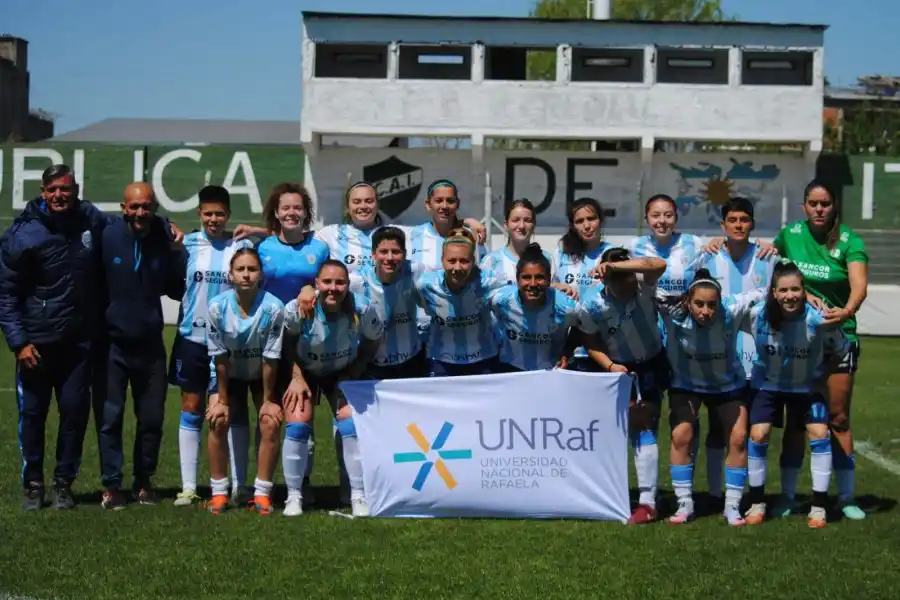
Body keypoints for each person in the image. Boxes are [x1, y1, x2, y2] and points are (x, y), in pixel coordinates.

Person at [0, 164, 108, 510]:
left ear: (75, 191)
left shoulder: (90, 219)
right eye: (53, 190)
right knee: (33, 416)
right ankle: (33, 484)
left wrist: (166, 227)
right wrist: (19, 343)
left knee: (74, 415)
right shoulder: (22, 233)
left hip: (78, 345)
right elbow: (6, 294)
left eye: (66, 189)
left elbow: (128, 226)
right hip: (36, 345)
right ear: (43, 192)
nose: (60, 195)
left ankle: (63, 483)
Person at [772, 180, 869, 520]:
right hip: (798, 340)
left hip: (840, 337)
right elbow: (771, 267)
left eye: (825, 204)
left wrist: (847, 310)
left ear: (833, 206)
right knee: (797, 420)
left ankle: (846, 497)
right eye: (813, 203)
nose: (819, 209)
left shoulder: (849, 240)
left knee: (838, 417)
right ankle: (787, 497)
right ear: (804, 206)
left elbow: (859, 285)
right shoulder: (790, 235)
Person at [95, 182, 186, 510]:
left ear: (154, 208)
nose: (140, 212)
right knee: (110, 419)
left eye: (146, 206)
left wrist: (176, 252)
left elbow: (176, 289)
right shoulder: (107, 236)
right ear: (124, 208)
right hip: (112, 346)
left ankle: (143, 482)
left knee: (151, 419)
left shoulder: (164, 236)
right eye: (134, 206)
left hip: (150, 345)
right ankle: (111, 485)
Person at [743, 260, 846, 528]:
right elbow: (726, 320)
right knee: (759, 434)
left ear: (804, 291)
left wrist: (821, 375)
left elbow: (841, 349)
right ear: (774, 293)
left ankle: (819, 508)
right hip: (767, 385)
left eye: (795, 289)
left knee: (820, 434)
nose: (790, 296)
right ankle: (757, 503)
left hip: (805, 387)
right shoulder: (757, 315)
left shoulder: (818, 319)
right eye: (784, 290)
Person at [169, 185, 254, 508]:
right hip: (192, 339)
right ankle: (189, 487)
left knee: (233, 409)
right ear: (199, 214)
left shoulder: (241, 246)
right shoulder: (188, 244)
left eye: (219, 214)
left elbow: (280, 236)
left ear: (229, 214)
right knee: (191, 407)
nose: (214, 220)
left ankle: (240, 485)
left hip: (231, 343)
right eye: (208, 214)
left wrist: (257, 230)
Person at [658, 269, 765, 525]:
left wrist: (808, 295)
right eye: (699, 304)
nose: (706, 311)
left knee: (738, 437)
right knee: (681, 435)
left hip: (727, 382)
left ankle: (732, 506)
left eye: (711, 305)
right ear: (687, 301)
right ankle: (684, 504)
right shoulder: (673, 309)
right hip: (686, 383)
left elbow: (767, 291)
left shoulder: (732, 308)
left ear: (720, 302)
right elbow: (644, 287)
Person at [280, 260, 384, 517]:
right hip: (304, 371)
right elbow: (286, 343)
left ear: (348, 285)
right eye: (327, 282)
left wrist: (353, 372)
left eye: (339, 283)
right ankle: (295, 495)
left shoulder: (362, 308)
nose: (333, 288)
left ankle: (356, 493)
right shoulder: (299, 307)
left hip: (341, 370)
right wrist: (296, 377)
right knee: (298, 424)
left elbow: (373, 340)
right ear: (316, 283)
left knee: (349, 422)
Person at [694, 198, 776, 505]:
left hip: (759, 359)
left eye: (744, 219)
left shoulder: (768, 258)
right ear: (723, 225)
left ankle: (753, 494)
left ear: (752, 223)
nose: (738, 225)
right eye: (732, 220)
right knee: (719, 428)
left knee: (754, 431)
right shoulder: (709, 258)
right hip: (719, 357)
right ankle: (716, 494)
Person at [580, 248, 669, 525]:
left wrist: (619, 267)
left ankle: (648, 502)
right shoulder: (592, 304)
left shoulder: (643, 286)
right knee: (621, 431)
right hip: (618, 369)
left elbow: (658, 264)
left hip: (652, 362)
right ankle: (621, 495)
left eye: (626, 275)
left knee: (645, 426)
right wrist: (609, 366)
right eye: (616, 277)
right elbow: (590, 342)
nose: (624, 283)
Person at [256, 182, 329, 504]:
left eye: (297, 207)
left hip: (306, 343)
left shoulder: (320, 249)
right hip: (270, 344)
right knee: (269, 417)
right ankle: (262, 484)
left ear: (306, 212)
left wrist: (315, 290)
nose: (291, 213)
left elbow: (331, 284)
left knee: (303, 416)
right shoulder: (263, 248)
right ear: (276, 212)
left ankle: (302, 483)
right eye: (285, 207)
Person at [204, 248, 285, 515]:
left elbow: (271, 358)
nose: (246, 275)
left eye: (252, 269)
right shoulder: (216, 307)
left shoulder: (274, 307)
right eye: (240, 269)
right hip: (228, 373)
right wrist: (222, 400)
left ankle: (262, 494)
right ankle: (219, 493)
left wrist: (269, 400)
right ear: (231, 275)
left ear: (260, 274)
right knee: (218, 419)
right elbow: (220, 358)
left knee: (270, 421)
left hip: (262, 374)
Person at [314, 181, 487, 274]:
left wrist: (465, 222)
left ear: (377, 205)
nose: (363, 206)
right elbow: (303, 240)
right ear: (348, 207)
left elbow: (440, 224)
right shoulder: (331, 233)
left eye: (369, 201)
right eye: (357, 202)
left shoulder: (397, 233)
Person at [415, 228, 508, 376]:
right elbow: (424, 308)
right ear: (442, 260)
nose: (457, 267)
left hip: (483, 359)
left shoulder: (490, 281)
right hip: (440, 360)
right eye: (451, 261)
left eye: (464, 261)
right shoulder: (425, 285)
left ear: (473, 261)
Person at [490, 243, 592, 373]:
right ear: (517, 279)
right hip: (511, 369)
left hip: (551, 372)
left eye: (539, 277)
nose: (533, 284)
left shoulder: (567, 307)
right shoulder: (500, 300)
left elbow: (584, 325)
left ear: (549, 280)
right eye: (526, 277)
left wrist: (567, 352)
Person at [551, 198, 613, 370]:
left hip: (602, 350)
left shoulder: (611, 254)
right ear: (572, 225)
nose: (586, 226)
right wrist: (556, 287)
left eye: (591, 219)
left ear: (600, 220)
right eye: (579, 221)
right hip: (566, 352)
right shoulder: (561, 254)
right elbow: (546, 292)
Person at [628, 194, 707, 297]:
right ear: (646, 219)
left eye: (668, 215)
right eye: (655, 216)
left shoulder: (694, 243)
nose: (662, 221)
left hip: (684, 307)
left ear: (676, 218)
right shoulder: (635, 246)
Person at [407, 179, 488, 271]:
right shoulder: (412, 235)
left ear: (457, 204)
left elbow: (483, 272)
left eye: (450, 201)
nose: (444, 206)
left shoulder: (472, 235)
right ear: (428, 205)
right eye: (439, 201)